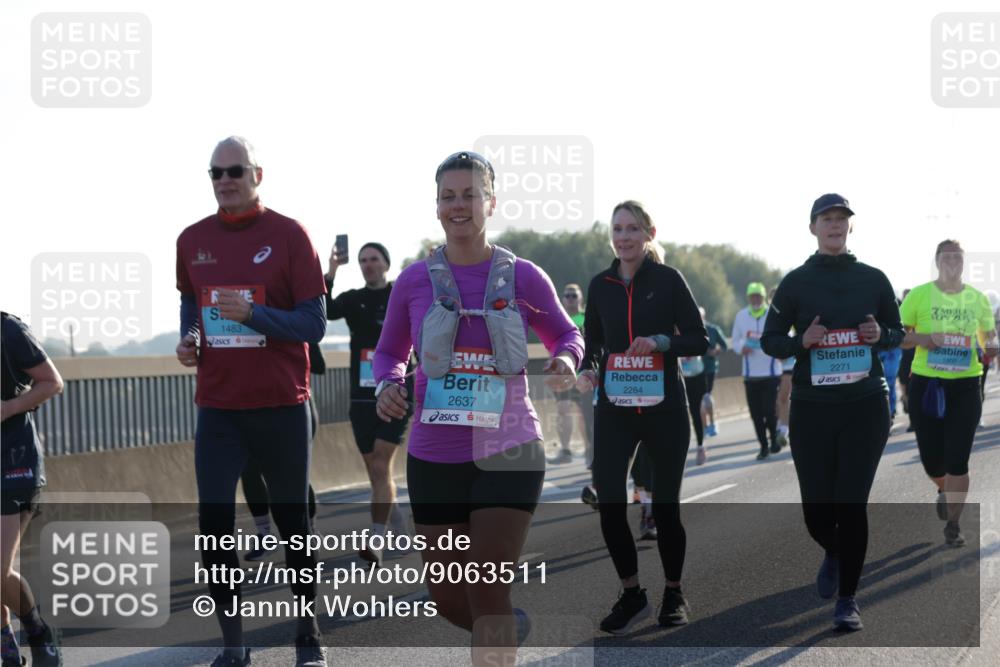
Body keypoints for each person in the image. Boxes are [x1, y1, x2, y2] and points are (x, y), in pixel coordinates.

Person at [373, 151, 583, 666]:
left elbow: (566, 333)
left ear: (491, 201)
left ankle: (498, 631)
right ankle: (507, 628)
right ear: (437, 205)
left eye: (470, 195)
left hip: (509, 449)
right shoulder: (413, 281)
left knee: (487, 591)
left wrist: (566, 360)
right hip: (434, 452)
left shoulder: (524, 276)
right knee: (451, 600)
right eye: (449, 196)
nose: (458, 206)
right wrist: (388, 384)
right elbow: (388, 352)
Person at [175, 136, 328, 667]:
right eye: (215, 173)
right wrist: (191, 337)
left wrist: (255, 317)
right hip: (218, 409)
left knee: (293, 525)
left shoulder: (288, 235)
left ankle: (307, 631)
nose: (224, 180)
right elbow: (189, 300)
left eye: (235, 170)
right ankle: (233, 644)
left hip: (282, 405)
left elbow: (313, 323)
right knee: (214, 525)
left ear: (257, 174)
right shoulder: (192, 239)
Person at [762, 193, 903, 632]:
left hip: (865, 405)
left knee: (852, 502)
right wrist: (800, 341)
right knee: (816, 511)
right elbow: (770, 340)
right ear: (813, 228)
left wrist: (881, 333)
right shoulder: (795, 283)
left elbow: (896, 332)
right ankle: (836, 549)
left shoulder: (873, 279)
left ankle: (848, 599)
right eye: (827, 218)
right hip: (813, 408)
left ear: (849, 227)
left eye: (842, 218)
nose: (835, 224)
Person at [577, 200, 708, 633]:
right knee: (610, 506)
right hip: (616, 409)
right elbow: (592, 341)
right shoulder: (600, 285)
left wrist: (660, 342)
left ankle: (674, 591)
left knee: (665, 508)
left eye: (633, 228)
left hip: (665, 408)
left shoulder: (668, 280)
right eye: (618, 229)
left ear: (649, 233)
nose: (624, 236)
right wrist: (587, 369)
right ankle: (632, 593)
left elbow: (698, 339)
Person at [899, 240, 998, 548]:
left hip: (966, 385)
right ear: (938, 261)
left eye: (958, 258)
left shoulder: (977, 299)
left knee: (958, 460)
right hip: (927, 385)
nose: (952, 263)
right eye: (947, 258)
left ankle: (954, 523)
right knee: (932, 461)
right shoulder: (918, 295)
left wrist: (991, 345)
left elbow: (989, 337)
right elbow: (899, 337)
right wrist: (927, 338)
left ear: (963, 263)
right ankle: (943, 489)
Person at [324, 240, 413, 565]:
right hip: (361, 397)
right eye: (363, 260)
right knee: (375, 470)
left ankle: (376, 539)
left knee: (379, 464)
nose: (368, 264)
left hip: (397, 392)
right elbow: (324, 309)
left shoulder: (399, 296)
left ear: (386, 264)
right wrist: (332, 271)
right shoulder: (354, 300)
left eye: (374, 259)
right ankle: (398, 520)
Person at [1, 313, 63, 667]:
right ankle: (8, 652)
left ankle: (38, 632)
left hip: (13, 463)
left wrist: (7, 408)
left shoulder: (8, 330)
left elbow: (51, 382)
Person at [241, 343, 321, 561]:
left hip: (295, 406)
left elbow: (320, 366)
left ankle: (309, 529)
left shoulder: (289, 323)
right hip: (250, 408)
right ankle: (264, 534)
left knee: (294, 474)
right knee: (249, 470)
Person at [732, 282, 782, 459]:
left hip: (771, 373)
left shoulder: (771, 314)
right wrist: (741, 348)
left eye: (758, 296)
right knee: (756, 414)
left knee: (770, 411)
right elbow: (735, 340)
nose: (755, 299)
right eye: (752, 296)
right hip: (750, 375)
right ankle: (763, 446)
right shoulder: (741, 316)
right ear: (748, 298)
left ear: (763, 298)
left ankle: (774, 438)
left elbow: (782, 335)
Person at [551, 283, 593, 467]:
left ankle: (589, 451)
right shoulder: (558, 319)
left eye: (573, 295)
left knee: (584, 415)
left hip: (583, 373)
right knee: (563, 409)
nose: (570, 298)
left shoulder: (587, 318)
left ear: (580, 298)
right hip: (563, 375)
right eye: (567, 295)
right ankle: (565, 450)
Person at [700, 307, 728, 442]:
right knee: (700, 400)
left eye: (700, 316)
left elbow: (724, 345)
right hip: (693, 371)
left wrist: (716, 350)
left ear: (704, 317)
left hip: (710, 368)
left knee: (706, 397)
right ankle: (704, 427)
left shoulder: (713, 329)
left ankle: (712, 422)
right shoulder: (688, 331)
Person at [680, 353, 708, 465]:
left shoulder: (690, 334)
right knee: (680, 415)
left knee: (696, 414)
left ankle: (701, 447)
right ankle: (679, 452)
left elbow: (703, 345)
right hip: (679, 377)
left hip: (696, 376)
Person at [898, 288, 916, 431]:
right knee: (904, 385)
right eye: (905, 297)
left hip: (918, 357)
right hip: (905, 357)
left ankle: (915, 421)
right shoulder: (899, 315)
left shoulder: (918, 314)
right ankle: (905, 401)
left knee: (916, 390)